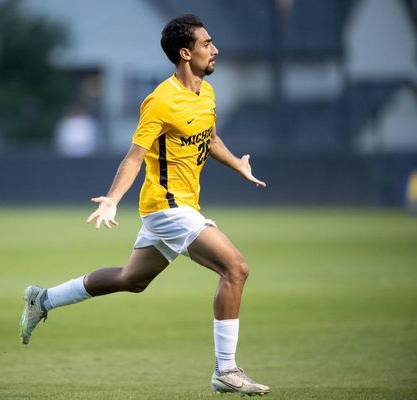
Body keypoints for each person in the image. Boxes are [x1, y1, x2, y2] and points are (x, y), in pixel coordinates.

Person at [20, 14, 270, 396]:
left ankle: (44, 299)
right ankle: (226, 369)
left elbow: (210, 136)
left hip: (175, 208)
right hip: (169, 208)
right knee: (235, 268)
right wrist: (112, 200)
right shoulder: (160, 101)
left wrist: (237, 164)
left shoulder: (207, 92)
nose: (214, 49)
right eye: (206, 44)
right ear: (185, 53)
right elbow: (135, 156)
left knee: (131, 280)